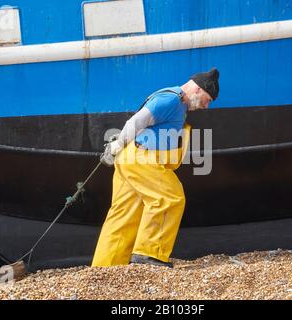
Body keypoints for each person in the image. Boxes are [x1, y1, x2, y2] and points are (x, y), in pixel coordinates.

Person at [92, 68, 220, 268]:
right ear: (197, 89)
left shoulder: (177, 103)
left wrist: (120, 147)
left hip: (131, 158)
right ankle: (149, 253)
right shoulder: (171, 100)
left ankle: (105, 267)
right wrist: (117, 144)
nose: (206, 106)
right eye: (208, 99)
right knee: (170, 198)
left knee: (124, 213)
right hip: (142, 158)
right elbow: (137, 121)